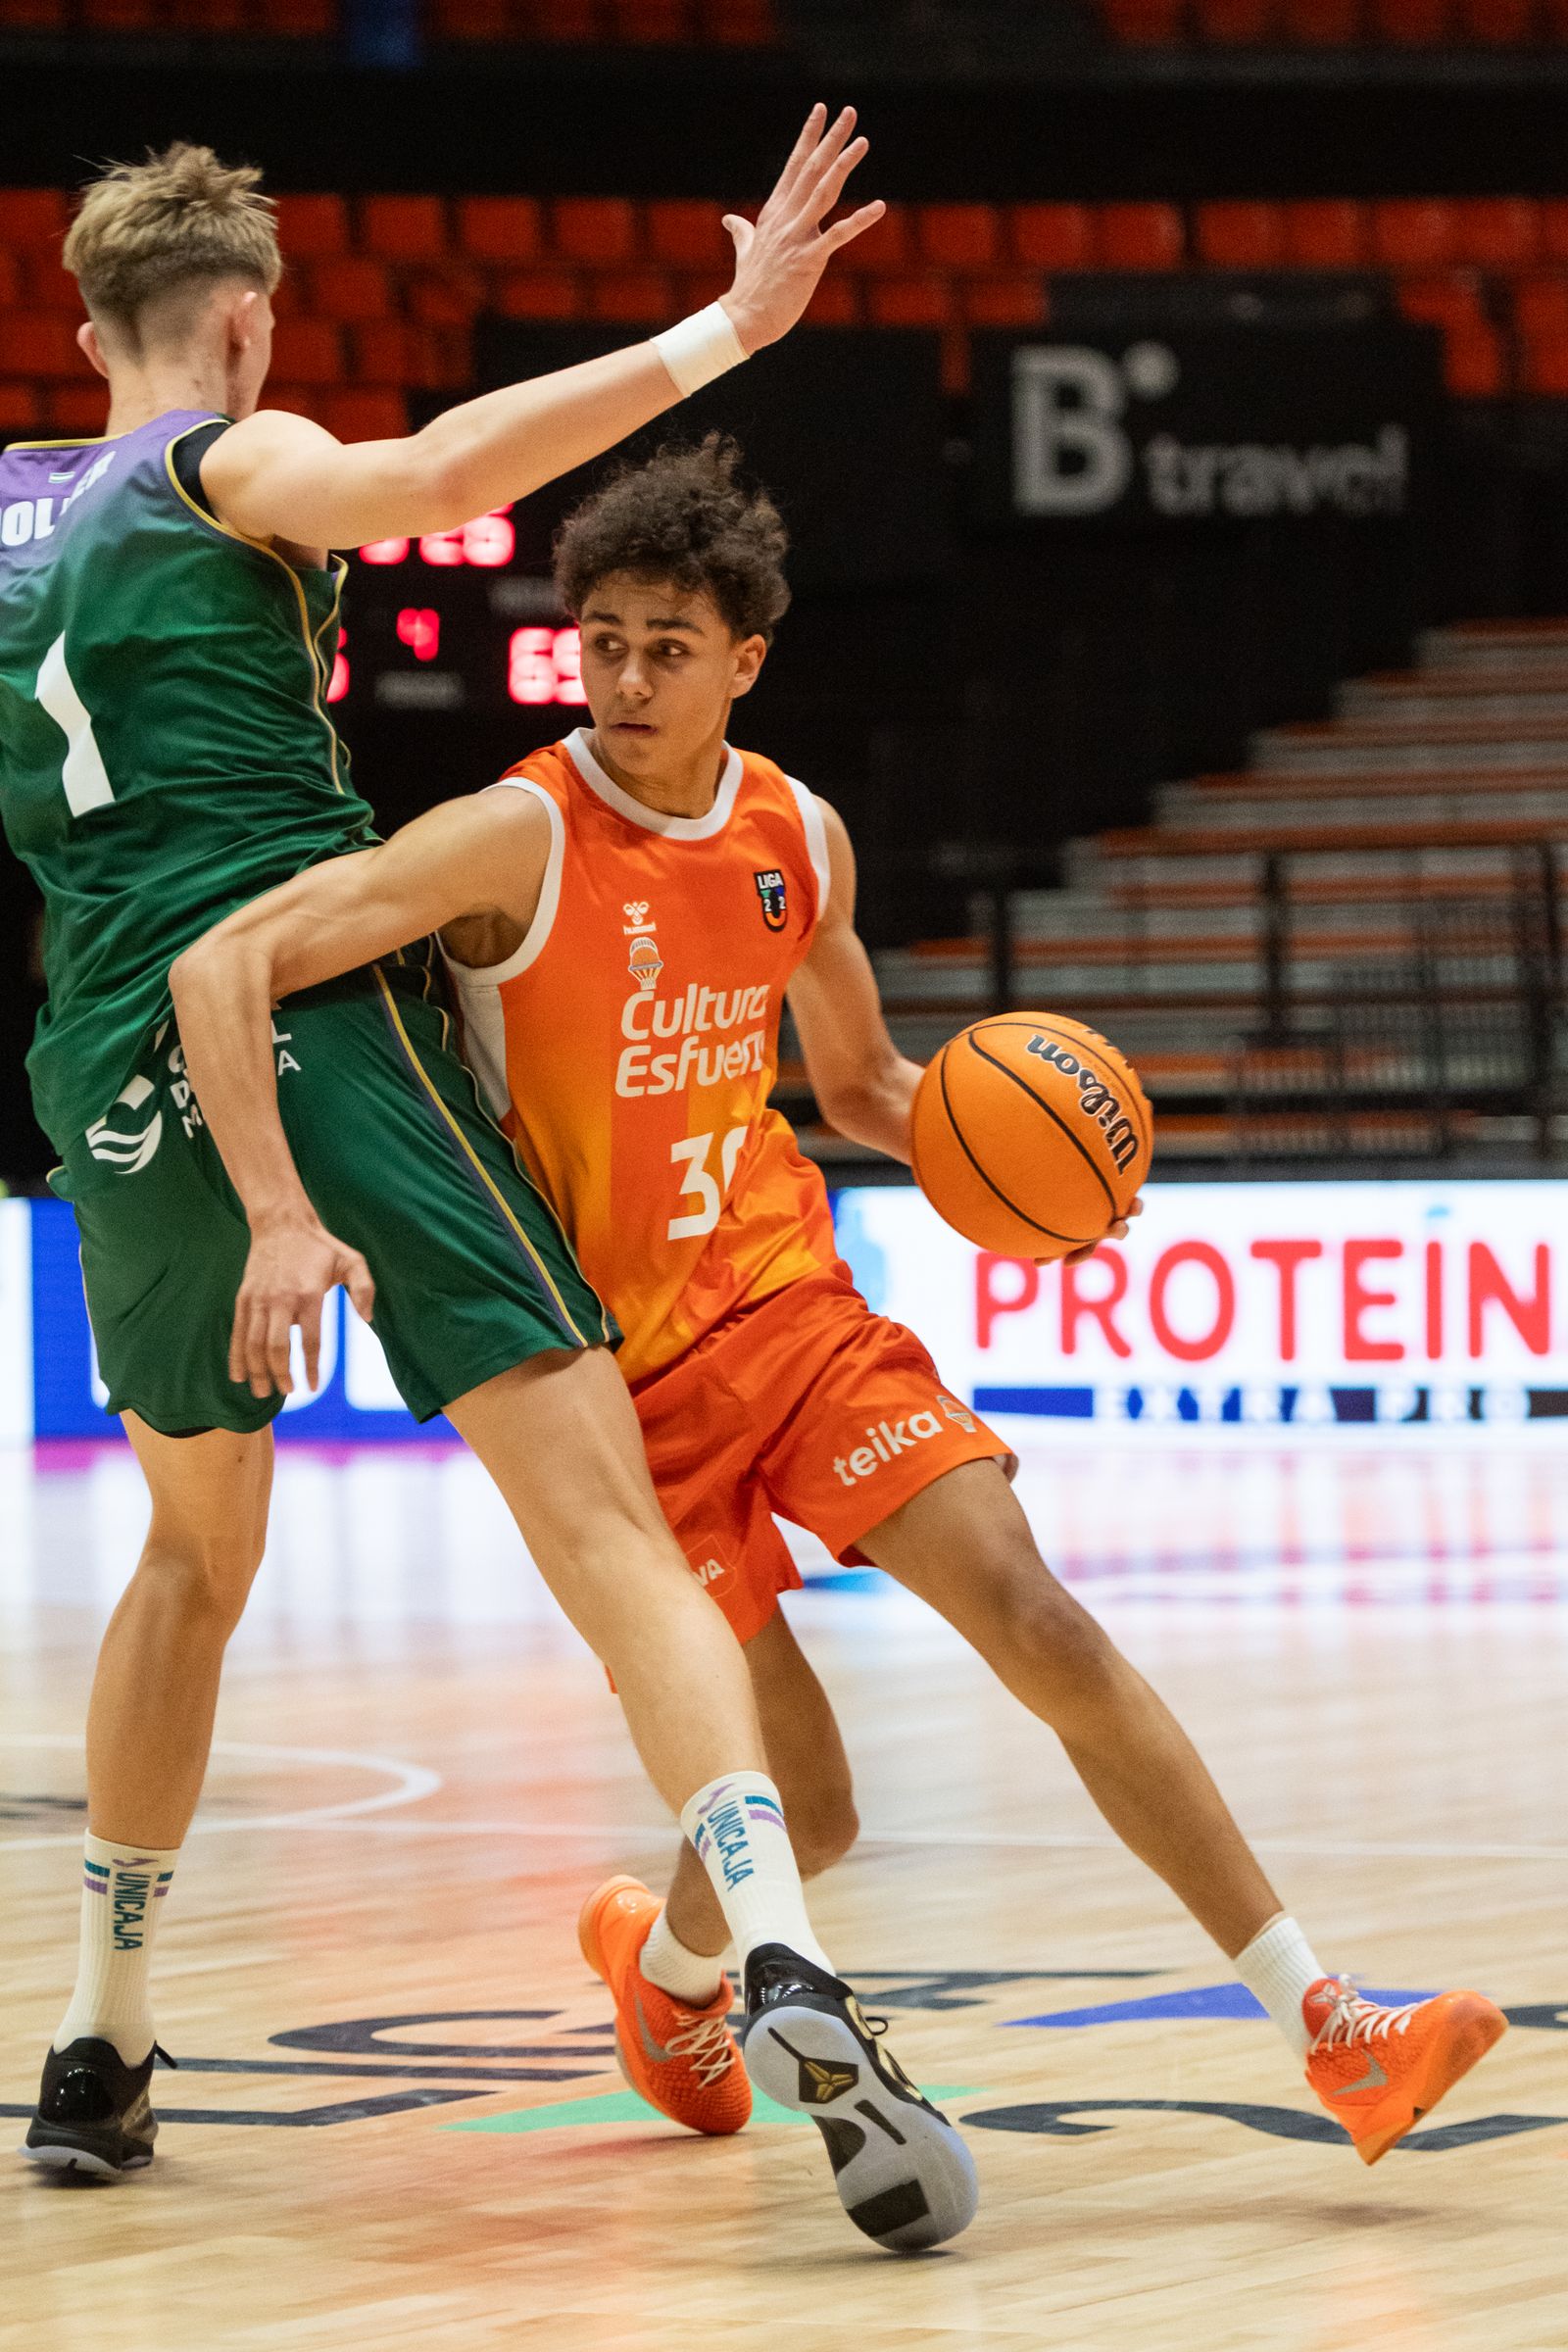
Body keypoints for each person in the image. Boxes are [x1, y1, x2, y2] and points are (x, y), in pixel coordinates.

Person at [172, 437, 1508, 2173]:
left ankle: (1330, 2026)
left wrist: (1025, 1174)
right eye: (606, 640)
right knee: (809, 1803)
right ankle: (665, 1982)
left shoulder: (798, 832)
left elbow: (869, 1083)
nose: (630, 677)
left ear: (746, 658)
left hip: (796, 1312)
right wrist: (277, 1208)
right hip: (612, 1385)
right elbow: (231, 959)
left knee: (1039, 1618)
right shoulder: (513, 834)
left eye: (670, 644)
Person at [4, 137, 980, 2255]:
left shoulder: (2, 511)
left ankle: (100, 2034)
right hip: (301, 990)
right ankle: (783, 1955)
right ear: (248, 325)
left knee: (188, 1561)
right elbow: (438, 463)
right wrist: (725, 326)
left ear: (78, 331)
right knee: (598, 1511)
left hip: (102, 1055)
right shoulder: (232, 460)